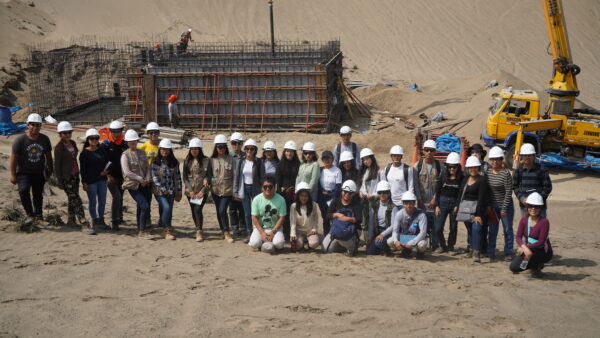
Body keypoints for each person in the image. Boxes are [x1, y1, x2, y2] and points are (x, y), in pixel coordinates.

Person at [10, 113, 53, 227]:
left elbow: (48, 156)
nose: (35, 127)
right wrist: (13, 175)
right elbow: (14, 159)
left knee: (38, 195)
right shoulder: (20, 140)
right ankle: (30, 215)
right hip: (24, 172)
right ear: (28, 125)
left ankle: (39, 217)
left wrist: (50, 170)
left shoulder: (44, 139)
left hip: (39, 172)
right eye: (32, 125)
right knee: (23, 191)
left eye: (38, 125)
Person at [53, 121, 92, 234]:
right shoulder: (59, 148)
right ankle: (84, 223)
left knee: (72, 199)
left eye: (69, 132)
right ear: (60, 134)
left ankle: (71, 220)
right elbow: (57, 166)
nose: (68, 135)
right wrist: (60, 182)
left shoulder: (73, 143)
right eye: (65, 133)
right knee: (76, 199)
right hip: (66, 178)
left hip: (75, 176)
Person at [509, 192, 553, 278]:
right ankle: (535, 265)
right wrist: (524, 247)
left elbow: (541, 242)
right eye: (530, 206)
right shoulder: (524, 219)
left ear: (540, 208)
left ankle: (536, 268)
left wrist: (525, 248)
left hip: (543, 252)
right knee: (513, 267)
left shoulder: (544, 222)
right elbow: (518, 236)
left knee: (531, 255)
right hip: (529, 249)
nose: (533, 209)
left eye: (536, 206)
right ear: (527, 207)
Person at [376, 191, 429, 258]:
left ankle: (420, 253)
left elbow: (423, 233)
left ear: (414, 203)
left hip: (417, 237)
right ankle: (406, 250)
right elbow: (395, 230)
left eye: (410, 203)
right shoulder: (399, 214)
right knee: (390, 241)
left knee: (422, 245)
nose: (408, 206)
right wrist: (396, 242)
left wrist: (411, 243)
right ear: (403, 204)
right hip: (405, 237)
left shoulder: (421, 215)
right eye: (406, 203)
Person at [413, 139, 445, 249]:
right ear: (423, 151)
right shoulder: (418, 166)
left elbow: (441, 185)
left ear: (435, 151)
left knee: (435, 225)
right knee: (422, 225)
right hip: (422, 203)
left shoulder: (440, 167)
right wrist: (419, 199)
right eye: (427, 150)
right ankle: (423, 245)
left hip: (435, 203)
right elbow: (416, 185)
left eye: (431, 150)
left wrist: (435, 199)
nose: (429, 153)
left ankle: (435, 245)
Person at [120, 130, 151, 239]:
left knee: (140, 207)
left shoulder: (142, 152)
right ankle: (142, 231)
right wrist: (140, 179)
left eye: (135, 140)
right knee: (144, 206)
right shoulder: (125, 155)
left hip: (144, 184)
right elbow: (127, 172)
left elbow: (148, 167)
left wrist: (147, 177)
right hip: (133, 185)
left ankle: (140, 228)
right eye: (131, 141)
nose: (133, 142)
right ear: (127, 142)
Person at [458, 156, 489, 263]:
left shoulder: (482, 180)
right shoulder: (465, 179)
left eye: (475, 167)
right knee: (470, 230)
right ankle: (471, 249)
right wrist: (457, 206)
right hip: (466, 209)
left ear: (478, 168)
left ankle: (477, 252)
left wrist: (478, 214)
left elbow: (481, 198)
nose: (473, 169)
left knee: (477, 229)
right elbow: (461, 194)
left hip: (478, 210)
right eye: (471, 167)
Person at [486, 146, 515, 262]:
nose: (494, 162)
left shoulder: (506, 174)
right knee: (492, 229)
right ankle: (491, 250)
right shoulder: (488, 173)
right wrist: (488, 206)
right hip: (493, 207)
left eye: (497, 159)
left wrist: (504, 208)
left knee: (507, 229)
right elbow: (487, 190)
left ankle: (508, 251)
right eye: (492, 159)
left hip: (505, 206)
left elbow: (509, 191)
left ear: (501, 160)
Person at [151, 139, 182, 240]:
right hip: (159, 191)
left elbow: (177, 177)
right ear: (160, 149)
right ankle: (166, 230)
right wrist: (163, 189)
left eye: (167, 149)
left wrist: (179, 190)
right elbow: (155, 178)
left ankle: (166, 225)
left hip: (171, 190)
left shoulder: (174, 162)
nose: (165, 151)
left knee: (169, 210)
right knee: (167, 208)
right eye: (163, 149)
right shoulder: (155, 162)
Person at [234, 138, 263, 243]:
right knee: (247, 213)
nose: (249, 151)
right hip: (244, 188)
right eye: (247, 149)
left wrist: (263, 190)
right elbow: (237, 177)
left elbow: (262, 177)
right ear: (245, 150)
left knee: (257, 212)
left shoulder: (259, 162)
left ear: (255, 150)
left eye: (251, 149)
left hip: (256, 189)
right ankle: (249, 233)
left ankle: (258, 232)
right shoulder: (241, 161)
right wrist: (235, 191)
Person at [322, 180, 363, 256]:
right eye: (345, 191)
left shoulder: (356, 204)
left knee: (341, 235)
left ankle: (352, 247)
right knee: (327, 249)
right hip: (337, 227)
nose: (347, 194)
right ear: (342, 191)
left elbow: (359, 219)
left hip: (352, 229)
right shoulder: (335, 201)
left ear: (353, 194)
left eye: (350, 193)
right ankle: (345, 245)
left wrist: (347, 219)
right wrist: (337, 215)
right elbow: (327, 215)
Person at [79, 128, 109, 229]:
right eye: (92, 139)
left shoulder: (102, 150)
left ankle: (101, 219)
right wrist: (84, 182)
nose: (94, 140)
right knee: (93, 201)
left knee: (102, 200)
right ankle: (94, 220)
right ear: (88, 140)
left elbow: (106, 163)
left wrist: (106, 173)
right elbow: (82, 170)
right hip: (90, 181)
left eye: (96, 138)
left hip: (102, 180)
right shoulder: (84, 154)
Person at [433, 152, 463, 253]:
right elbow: (437, 191)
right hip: (442, 202)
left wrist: (458, 205)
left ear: (458, 166)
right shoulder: (443, 175)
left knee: (453, 226)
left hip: (454, 203)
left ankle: (450, 246)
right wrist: (437, 206)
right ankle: (442, 246)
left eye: (454, 167)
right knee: (438, 227)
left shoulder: (462, 177)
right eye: (450, 167)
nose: (452, 169)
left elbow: (461, 193)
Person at [101, 120, 128, 230]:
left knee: (120, 197)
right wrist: (108, 176)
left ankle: (120, 217)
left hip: (122, 176)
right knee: (116, 197)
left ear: (122, 131)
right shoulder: (106, 145)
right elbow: (103, 162)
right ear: (110, 132)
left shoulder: (124, 144)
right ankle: (114, 221)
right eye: (114, 132)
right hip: (110, 177)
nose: (116, 134)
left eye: (118, 131)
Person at [248, 177, 287, 253]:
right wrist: (262, 233)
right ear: (262, 188)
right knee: (254, 244)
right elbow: (254, 217)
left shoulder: (281, 199)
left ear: (274, 187)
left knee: (279, 244)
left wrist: (273, 232)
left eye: (270, 186)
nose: (268, 189)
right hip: (260, 228)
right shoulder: (256, 199)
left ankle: (268, 242)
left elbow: (282, 217)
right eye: (265, 187)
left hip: (275, 228)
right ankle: (264, 242)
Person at [513, 143, 552, 218]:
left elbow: (548, 187)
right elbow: (515, 187)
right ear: (522, 156)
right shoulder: (519, 170)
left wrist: (537, 199)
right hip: (525, 207)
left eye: (529, 155)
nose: (527, 157)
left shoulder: (542, 169)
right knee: (527, 228)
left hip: (539, 207)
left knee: (540, 228)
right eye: (525, 155)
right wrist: (522, 198)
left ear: (534, 156)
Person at [208, 134, 235, 243]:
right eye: (219, 147)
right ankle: (222, 230)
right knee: (219, 211)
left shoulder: (231, 160)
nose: (222, 149)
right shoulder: (211, 160)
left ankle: (227, 231)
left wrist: (235, 191)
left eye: (223, 147)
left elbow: (235, 176)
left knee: (222, 210)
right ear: (216, 148)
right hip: (215, 191)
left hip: (227, 190)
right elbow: (209, 175)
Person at [183, 138, 210, 242]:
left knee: (198, 210)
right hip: (190, 192)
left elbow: (209, 176)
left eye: (196, 148)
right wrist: (190, 190)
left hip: (202, 192)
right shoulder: (187, 161)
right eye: (192, 148)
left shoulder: (206, 161)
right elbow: (185, 177)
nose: (194, 150)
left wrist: (202, 191)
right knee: (193, 211)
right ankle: (197, 228)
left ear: (200, 149)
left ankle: (199, 231)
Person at [367, 181, 398, 255]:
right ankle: (381, 249)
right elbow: (371, 223)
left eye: (385, 192)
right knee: (369, 252)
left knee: (378, 243)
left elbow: (393, 226)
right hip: (377, 231)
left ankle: (387, 249)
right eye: (380, 192)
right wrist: (369, 238)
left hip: (388, 233)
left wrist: (383, 234)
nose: (382, 194)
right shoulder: (374, 206)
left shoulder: (394, 207)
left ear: (389, 193)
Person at [277, 140, 300, 241]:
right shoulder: (280, 164)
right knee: (284, 214)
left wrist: (296, 191)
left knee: (294, 214)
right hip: (283, 194)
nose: (289, 153)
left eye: (291, 151)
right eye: (287, 151)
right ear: (284, 152)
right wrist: (281, 191)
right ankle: (285, 233)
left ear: (294, 153)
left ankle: (294, 233)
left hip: (295, 194)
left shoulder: (298, 164)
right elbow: (278, 181)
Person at [139, 122, 160, 227]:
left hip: (158, 179)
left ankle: (162, 220)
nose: (153, 135)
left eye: (155, 132)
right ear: (147, 134)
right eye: (151, 133)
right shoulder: (143, 147)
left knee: (161, 201)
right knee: (147, 201)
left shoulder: (162, 146)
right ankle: (147, 221)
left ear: (159, 133)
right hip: (147, 180)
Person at [289, 182, 321, 251]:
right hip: (299, 231)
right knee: (298, 246)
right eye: (302, 195)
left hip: (310, 231)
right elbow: (293, 221)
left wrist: (314, 229)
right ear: (298, 196)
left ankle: (309, 244)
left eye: (306, 196)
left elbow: (316, 218)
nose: (304, 198)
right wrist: (293, 233)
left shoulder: (313, 205)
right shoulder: (293, 206)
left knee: (314, 243)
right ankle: (302, 243)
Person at [318, 150, 342, 235]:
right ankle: (326, 236)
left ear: (332, 159)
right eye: (324, 159)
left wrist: (333, 197)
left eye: (328, 158)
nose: (327, 160)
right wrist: (322, 191)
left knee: (334, 217)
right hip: (323, 198)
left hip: (333, 197)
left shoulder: (337, 170)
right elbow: (318, 184)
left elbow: (338, 186)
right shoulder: (320, 170)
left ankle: (335, 235)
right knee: (325, 218)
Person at [358, 148, 379, 245]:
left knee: (374, 222)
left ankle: (375, 241)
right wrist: (361, 192)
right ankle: (367, 241)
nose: (365, 161)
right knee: (365, 221)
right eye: (363, 160)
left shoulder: (379, 172)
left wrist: (374, 195)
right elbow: (363, 186)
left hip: (374, 201)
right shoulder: (365, 172)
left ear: (372, 158)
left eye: (367, 159)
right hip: (365, 201)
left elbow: (381, 188)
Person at [228, 132, 245, 238]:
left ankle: (243, 227)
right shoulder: (228, 156)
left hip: (243, 185)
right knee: (233, 209)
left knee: (243, 208)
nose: (237, 146)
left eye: (239, 143)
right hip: (231, 186)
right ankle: (234, 228)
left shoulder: (246, 155)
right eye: (234, 143)